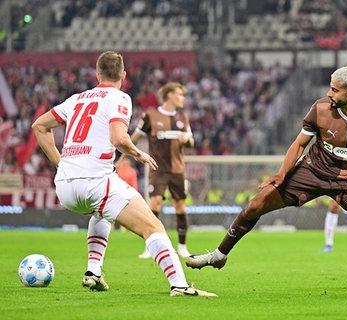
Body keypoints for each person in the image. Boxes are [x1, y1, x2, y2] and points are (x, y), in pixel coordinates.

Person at [186, 65, 347, 296]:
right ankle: (219, 256)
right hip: (311, 172)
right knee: (256, 204)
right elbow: (299, 144)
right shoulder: (320, 108)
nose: (329, 93)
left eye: (335, 90)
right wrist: (282, 174)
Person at [31, 51, 215, 297]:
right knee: (153, 227)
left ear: (97, 74)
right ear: (124, 75)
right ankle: (180, 286)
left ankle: (93, 272)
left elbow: (39, 126)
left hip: (65, 186)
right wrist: (138, 153)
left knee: (102, 212)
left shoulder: (76, 99)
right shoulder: (119, 97)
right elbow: (118, 138)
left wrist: (60, 163)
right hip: (95, 181)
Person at [129, 82, 194, 259]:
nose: (182, 98)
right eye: (180, 95)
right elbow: (134, 137)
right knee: (155, 204)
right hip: (157, 169)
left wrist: (186, 139)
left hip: (178, 169)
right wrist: (126, 152)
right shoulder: (151, 115)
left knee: (180, 207)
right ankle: (150, 248)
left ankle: (182, 246)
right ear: (170, 95)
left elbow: (191, 141)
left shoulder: (183, 117)